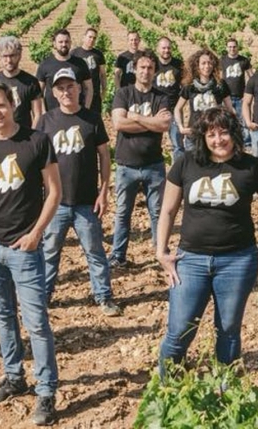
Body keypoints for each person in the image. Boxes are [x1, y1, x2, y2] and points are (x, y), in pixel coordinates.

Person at [156, 107, 258, 376]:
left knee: (227, 330)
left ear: (234, 133)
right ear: (202, 137)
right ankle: (168, 388)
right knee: (179, 329)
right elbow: (167, 210)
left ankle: (225, 390)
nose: (218, 140)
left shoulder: (250, 166)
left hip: (237, 261)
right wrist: (161, 252)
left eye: (224, 132)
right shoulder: (186, 163)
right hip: (190, 259)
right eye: (211, 134)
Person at [0, 81, 61, 426]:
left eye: (1, 105)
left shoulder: (36, 141)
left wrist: (36, 233)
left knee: (36, 323)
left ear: (13, 104)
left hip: (25, 248)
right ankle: (14, 376)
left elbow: (54, 191)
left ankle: (47, 391)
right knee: (4, 316)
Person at [37, 68, 120, 316]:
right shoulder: (45, 121)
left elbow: (104, 155)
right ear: (54, 93)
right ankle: (44, 297)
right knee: (49, 253)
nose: (66, 92)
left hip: (86, 201)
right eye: (61, 88)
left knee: (95, 252)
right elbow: (38, 160)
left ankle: (103, 296)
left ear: (79, 89)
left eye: (70, 86)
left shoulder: (92, 119)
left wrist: (104, 190)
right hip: (56, 203)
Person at [109, 50, 172, 268]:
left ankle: (160, 252)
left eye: (150, 68)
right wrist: (150, 121)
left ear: (155, 71)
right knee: (122, 213)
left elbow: (164, 125)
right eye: (142, 67)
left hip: (154, 165)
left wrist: (133, 116)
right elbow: (118, 124)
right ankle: (118, 255)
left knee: (157, 212)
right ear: (135, 69)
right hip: (126, 165)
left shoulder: (161, 96)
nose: (146, 71)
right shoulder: (123, 94)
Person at [174, 49, 234, 152]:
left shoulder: (220, 85)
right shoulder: (189, 86)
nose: (207, 66)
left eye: (210, 63)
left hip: (214, 137)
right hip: (194, 136)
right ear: (197, 65)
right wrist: (181, 127)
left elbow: (230, 109)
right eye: (203, 63)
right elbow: (177, 108)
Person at [0, 35, 43, 134]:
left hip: (23, 136)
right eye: (5, 56)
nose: (9, 60)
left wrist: (32, 136)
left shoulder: (31, 82)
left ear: (19, 55)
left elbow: (37, 114)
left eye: (12, 56)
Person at [35, 29, 92, 112]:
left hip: (77, 114)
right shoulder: (45, 65)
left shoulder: (80, 63)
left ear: (70, 43)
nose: (64, 44)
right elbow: (38, 92)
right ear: (54, 44)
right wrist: (44, 113)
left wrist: (86, 109)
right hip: (52, 115)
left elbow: (89, 88)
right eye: (60, 42)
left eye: (66, 41)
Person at [153, 37, 185, 162]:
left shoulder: (178, 65)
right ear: (158, 49)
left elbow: (184, 85)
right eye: (163, 48)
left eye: (168, 48)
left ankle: (179, 170)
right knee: (154, 142)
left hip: (174, 109)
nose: (166, 50)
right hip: (156, 109)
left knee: (178, 144)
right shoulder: (153, 64)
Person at [220, 38, 252, 145]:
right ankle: (230, 140)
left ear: (237, 47)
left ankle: (246, 142)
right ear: (226, 48)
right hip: (226, 97)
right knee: (227, 121)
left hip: (240, 96)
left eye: (234, 46)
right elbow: (219, 78)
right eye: (230, 47)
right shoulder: (222, 61)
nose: (232, 49)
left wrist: (248, 93)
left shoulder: (244, 60)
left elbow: (251, 77)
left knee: (243, 120)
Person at [70, 27, 106, 114]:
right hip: (78, 94)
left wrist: (104, 89)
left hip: (95, 93)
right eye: (90, 37)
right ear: (84, 37)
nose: (92, 40)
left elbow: (102, 74)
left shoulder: (98, 54)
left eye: (94, 38)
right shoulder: (74, 53)